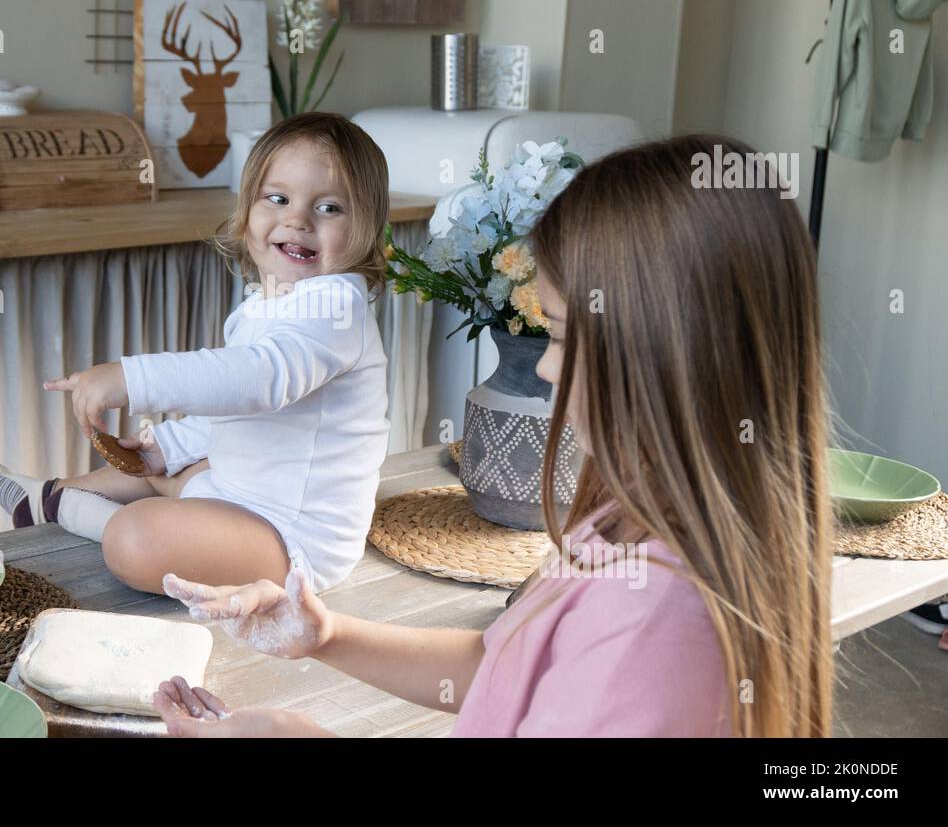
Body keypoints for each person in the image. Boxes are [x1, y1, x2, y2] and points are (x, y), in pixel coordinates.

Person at [153, 134, 834, 737]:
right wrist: (325, 636)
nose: (543, 364)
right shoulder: (622, 522)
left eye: (562, 334)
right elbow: (501, 667)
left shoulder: (656, 623)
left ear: (664, 353)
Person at [0, 112, 392, 595]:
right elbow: (236, 412)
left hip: (292, 540)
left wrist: (132, 378)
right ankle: (50, 495)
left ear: (365, 227)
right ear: (248, 212)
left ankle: (76, 511)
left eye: (328, 208)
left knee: (135, 541)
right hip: (234, 494)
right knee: (154, 469)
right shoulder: (266, 302)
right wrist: (168, 447)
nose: (297, 219)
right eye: (278, 198)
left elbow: (259, 380)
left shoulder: (336, 305)